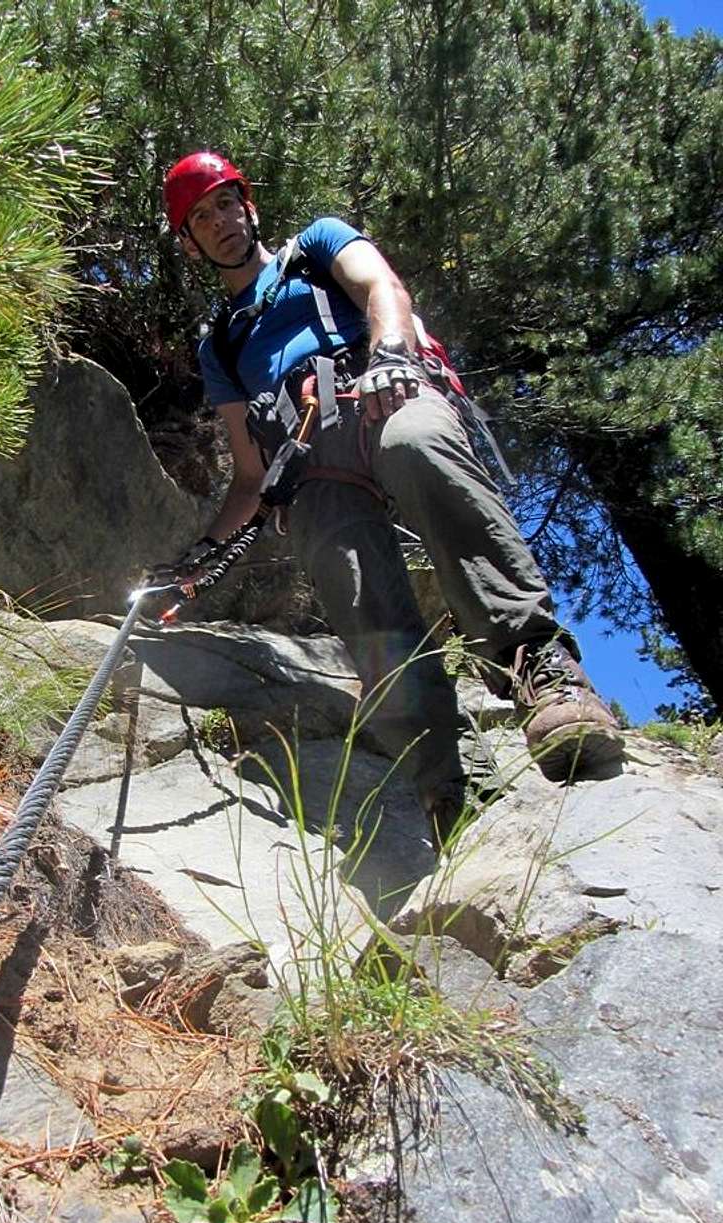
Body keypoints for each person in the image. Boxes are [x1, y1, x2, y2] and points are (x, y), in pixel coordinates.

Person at [160, 150, 623, 849]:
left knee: (417, 447)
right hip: (309, 457)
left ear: (248, 204)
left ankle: (543, 670)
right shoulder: (221, 344)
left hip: (383, 388)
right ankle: (448, 775)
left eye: (226, 202)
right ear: (190, 242)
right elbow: (251, 478)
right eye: (201, 216)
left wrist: (391, 356)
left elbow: (383, 289)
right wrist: (200, 555)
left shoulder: (315, 245)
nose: (221, 221)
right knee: (344, 571)